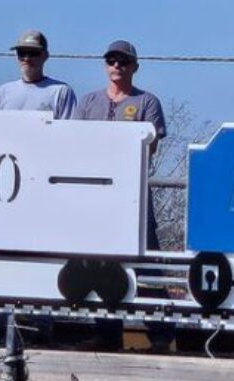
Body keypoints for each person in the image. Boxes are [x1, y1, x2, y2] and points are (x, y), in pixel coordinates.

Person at [0, 30, 77, 343]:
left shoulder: (61, 92)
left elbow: (68, 140)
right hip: (4, 189)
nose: (27, 59)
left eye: (33, 53)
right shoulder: (3, 93)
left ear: (45, 56)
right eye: (22, 53)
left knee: (43, 256)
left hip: (42, 189)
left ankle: (40, 320)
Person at [74, 40, 174, 352]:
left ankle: (160, 332)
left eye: (123, 62)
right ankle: (106, 331)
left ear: (134, 66)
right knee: (101, 265)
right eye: (111, 61)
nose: (117, 66)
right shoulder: (88, 102)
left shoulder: (148, 102)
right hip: (97, 196)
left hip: (134, 196)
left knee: (146, 262)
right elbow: (76, 143)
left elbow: (151, 146)